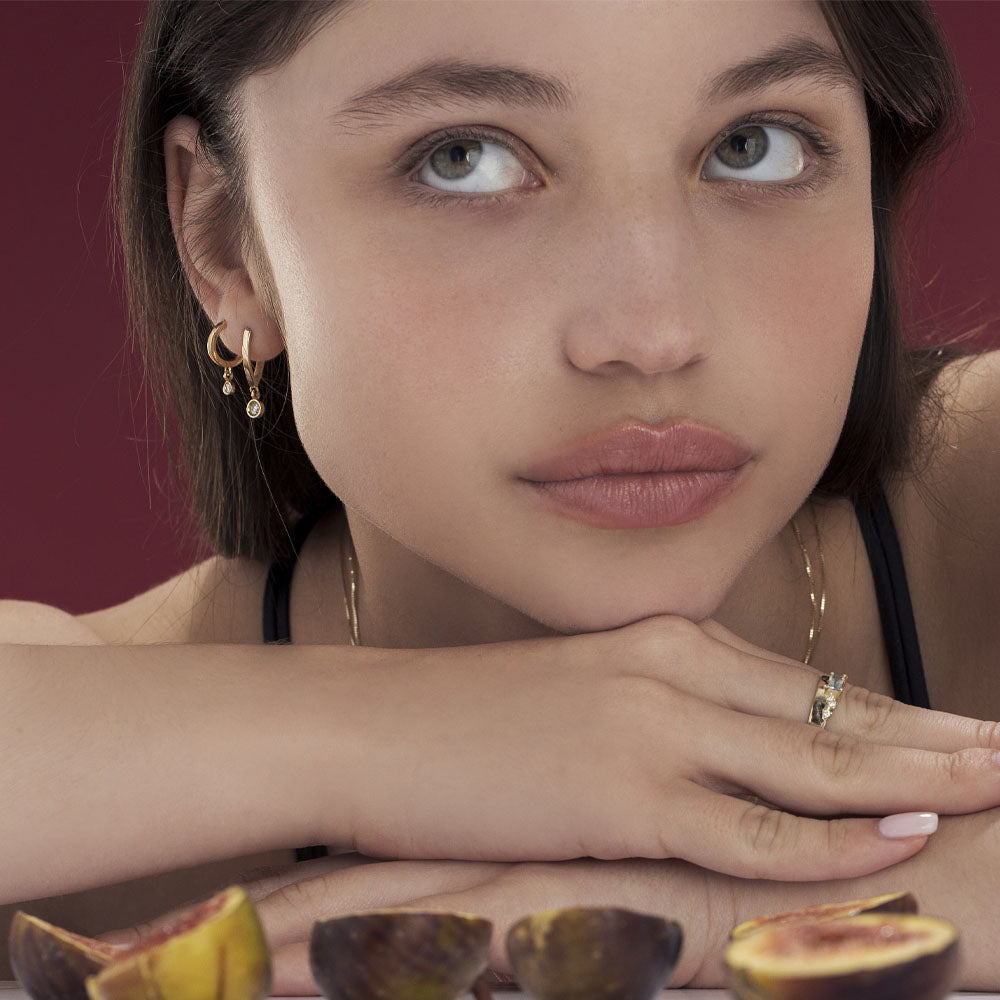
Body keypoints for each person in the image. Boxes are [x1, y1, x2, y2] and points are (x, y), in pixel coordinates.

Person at [2, 0, 999, 992]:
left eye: (754, 146)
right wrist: (396, 733)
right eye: (463, 158)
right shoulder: (90, 798)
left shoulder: (975, 504)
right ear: (223, 239)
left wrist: (720, 912)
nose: (652, 332)